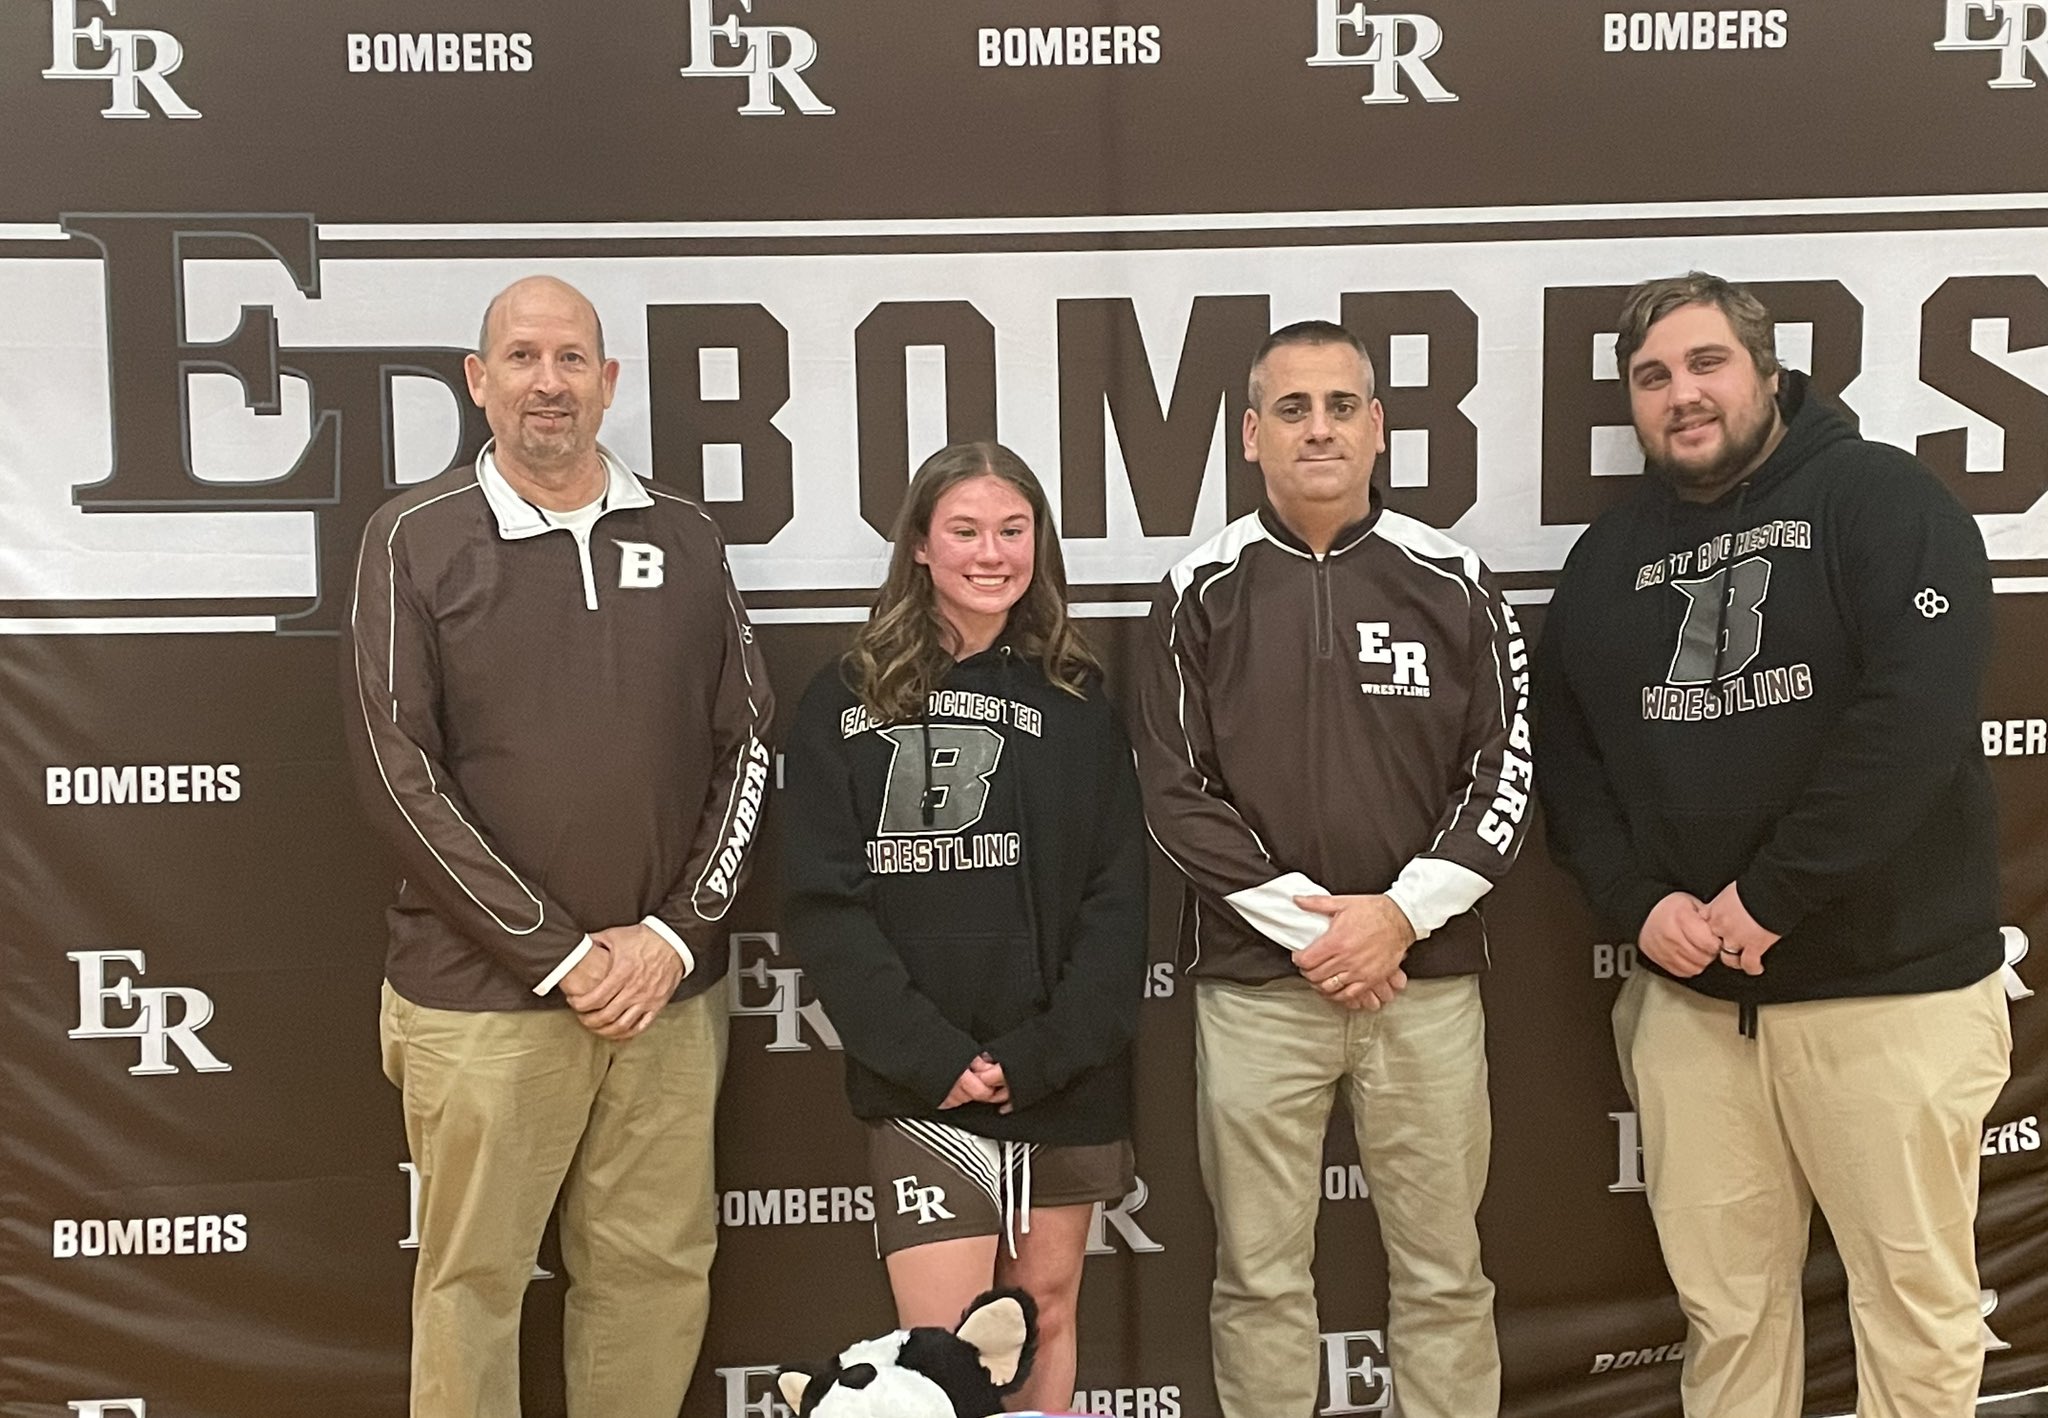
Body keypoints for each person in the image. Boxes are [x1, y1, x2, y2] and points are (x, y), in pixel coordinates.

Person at [1535, 271, 2011, 1418]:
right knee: (1727, 1316)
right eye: (1651, 378)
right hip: (1692, 1013)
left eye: (1704, 364)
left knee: (1914, 1309)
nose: (1680, 395)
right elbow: (1570, 765)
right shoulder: (1603, 561)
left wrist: (1770, 895)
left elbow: (1913, 720)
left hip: (1884, 999)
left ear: (1765, 369)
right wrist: (1637, 902)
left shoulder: (1882, 499)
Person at [341, 275, 772, 1418]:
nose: (549, 381)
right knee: (472, 1284)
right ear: (479, 382)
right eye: (522, 358)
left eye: (572, 358)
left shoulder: (684, 534)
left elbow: (748, 746)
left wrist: (671, 938)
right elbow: (398, 774)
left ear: (608, 381)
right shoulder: (413, 538)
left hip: (663, 1002)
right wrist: (564, 953)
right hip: (482, 999)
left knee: (653, 1274)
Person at [1132, 320, 1530, 1418]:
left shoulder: (1454, 579)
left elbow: (1501, 775)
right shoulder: (1193, 589)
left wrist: (1397, 917)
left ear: (1379, 428)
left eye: (1341, 405)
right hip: (1260, 991)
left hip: (1425, 980)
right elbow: (1174, 793)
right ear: (1251, 435)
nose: (1319, 428)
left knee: (1445, 1275)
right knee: (1259, 1278)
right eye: (1292, 409)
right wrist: (1317, 929)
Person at [780, 440, 1149, 1414]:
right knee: (941, 1355)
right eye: (965, 530)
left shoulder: (1078, 698)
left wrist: (1040, 1052)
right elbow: (823, 903)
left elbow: (1118, 899)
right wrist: (929, 1053)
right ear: (917, 546)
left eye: (1012, 529)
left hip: (1059, 1074)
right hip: (923, 1084)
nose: (991, 552)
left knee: (1044, 1314)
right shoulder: (842, 699)